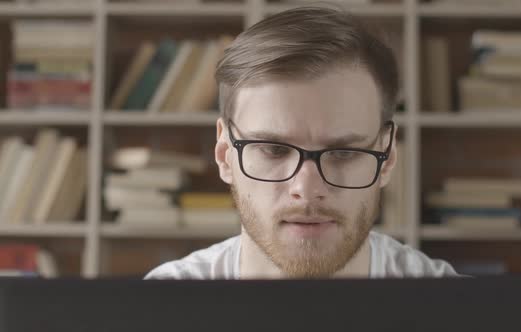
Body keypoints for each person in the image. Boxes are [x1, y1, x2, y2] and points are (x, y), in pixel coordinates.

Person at [145, 6, 457, 279]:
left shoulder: (461, 311)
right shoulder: (156, 311)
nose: (307, 189)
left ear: (387, 157)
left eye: (343, 152)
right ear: (226, 154)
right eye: (274, 149)